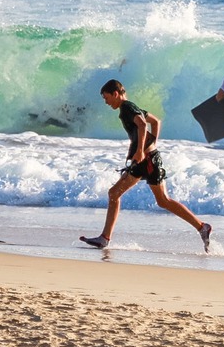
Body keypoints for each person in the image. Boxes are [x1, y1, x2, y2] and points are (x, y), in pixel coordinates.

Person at [81, 79, 212, 252]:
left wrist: (141, 151)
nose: (106, 102)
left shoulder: (127, 108)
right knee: (130, 196)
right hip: (147, 159)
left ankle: (202, 227)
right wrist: (150, 147)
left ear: (115, 94)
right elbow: (155, 122)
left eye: (106, 98)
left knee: (149, 198)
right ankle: (202, 227)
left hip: (147, 160)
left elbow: (143, 125)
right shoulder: (132, 108)